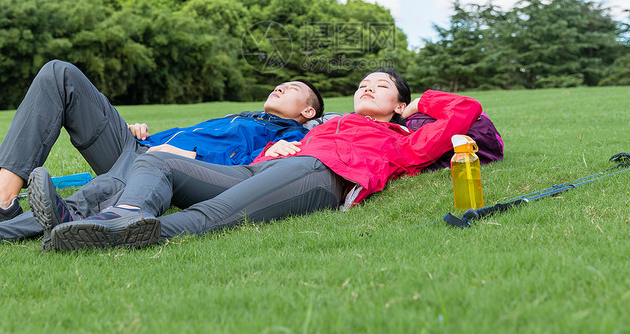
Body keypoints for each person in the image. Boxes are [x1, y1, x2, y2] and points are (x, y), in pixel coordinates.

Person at [0, 60, 324, 255]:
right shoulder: (239, 116)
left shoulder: (293, 137)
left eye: (293, 89)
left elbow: (256, 177)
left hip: (162, 173)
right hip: (136, 149)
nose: (281, 88)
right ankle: (0, 198)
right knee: (59, 74)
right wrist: (144, 134)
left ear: (309, 111)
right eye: (280, 84)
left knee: (94, 195)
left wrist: (287, 146)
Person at [45, 69, 482, 251]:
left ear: (399, 103)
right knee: (157, 163)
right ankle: (122, 215)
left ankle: (120, 232)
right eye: (363, 83)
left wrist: (421, 103)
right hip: (269, 166)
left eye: (381, 86)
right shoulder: (325, 124)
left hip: (320, 177)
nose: (367, 87)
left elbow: (467, 109)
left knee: (212, 215)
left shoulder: (406, 138)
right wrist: (276, 148)